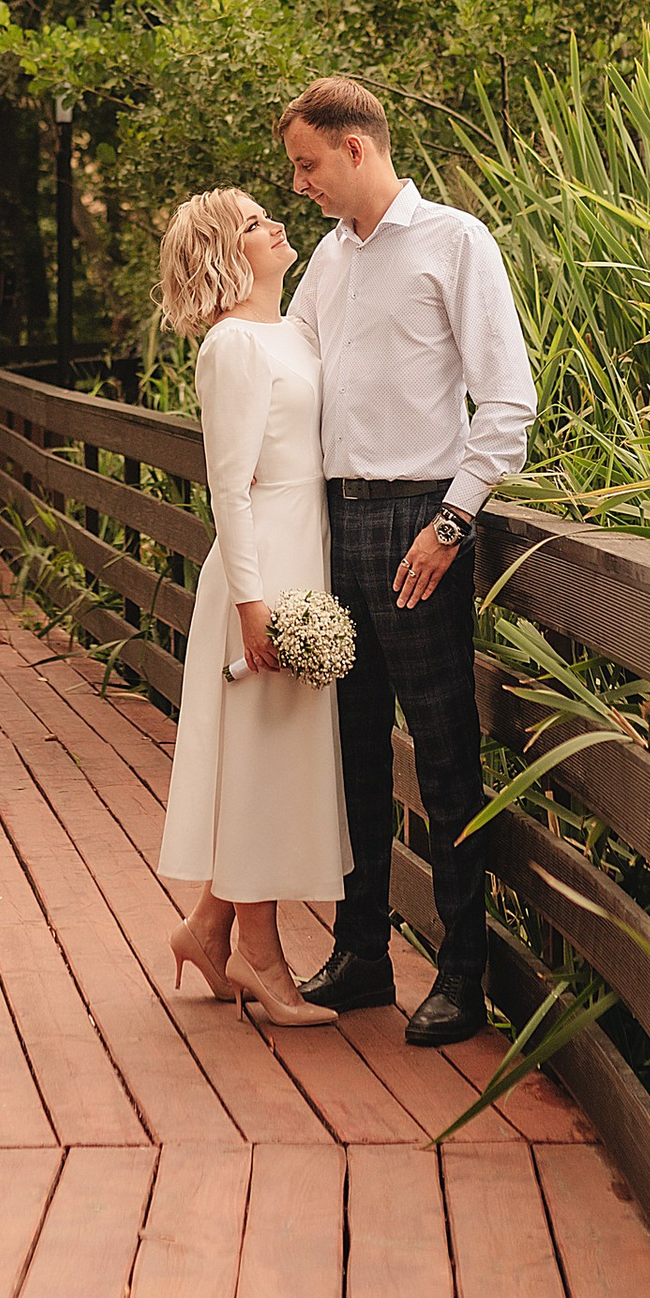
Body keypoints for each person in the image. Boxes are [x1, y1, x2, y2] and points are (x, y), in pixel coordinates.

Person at [279, 77, 537, 1046]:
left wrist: (451, 524)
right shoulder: (326, 260)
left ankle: (462, 974)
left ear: (355, 148)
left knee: (443, 759)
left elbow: (506, 400)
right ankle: (359, 956)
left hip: (418, 525)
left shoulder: (455, 241)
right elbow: (288, 373)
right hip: (334, 523)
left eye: (307, 163)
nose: (299, 183)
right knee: (347, 755)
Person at [153, 187, 348, 1028]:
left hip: (308, 552)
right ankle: (262, 962)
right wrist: (252, 602)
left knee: (279, 756)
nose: (276, 225)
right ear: (226, 256)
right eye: (254, 223)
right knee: (263, 762)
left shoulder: (289, 332)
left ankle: (207, 930)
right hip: (263, 566)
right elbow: (227, 484)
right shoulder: (232, 346)